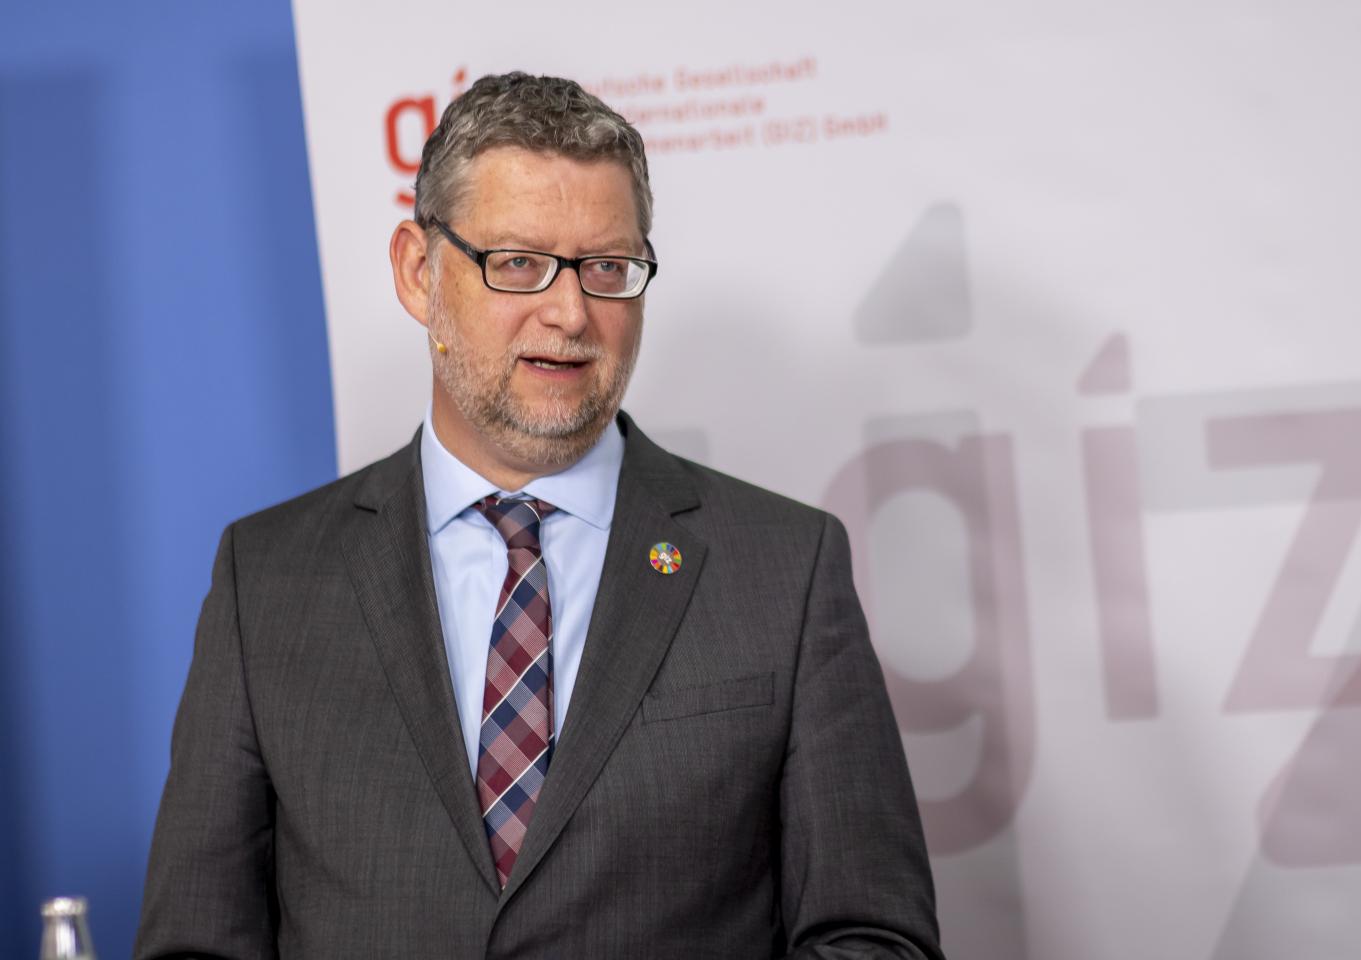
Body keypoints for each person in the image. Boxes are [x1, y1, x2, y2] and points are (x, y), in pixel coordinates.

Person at [135, 71, 942, 959]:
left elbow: (874, 939)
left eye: (607, 269)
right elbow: (196, 943)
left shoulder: (784, 570)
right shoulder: (269, 579)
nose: (570, 314)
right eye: (518, 263)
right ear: (417, 272)